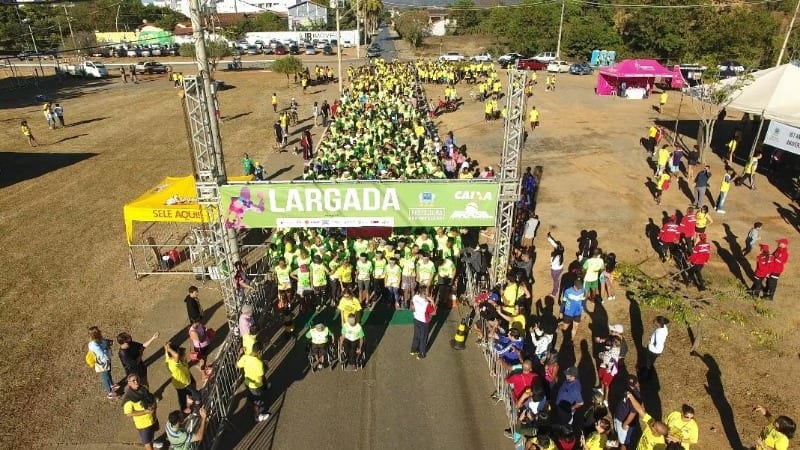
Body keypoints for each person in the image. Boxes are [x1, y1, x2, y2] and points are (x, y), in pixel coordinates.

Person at [122, 373, 163, 450]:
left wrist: (154, 405)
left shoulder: (143, 389)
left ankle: (153, 443)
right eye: (133, 381)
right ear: (129, 383)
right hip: (143, 425)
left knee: (151, 436)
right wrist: (145, 412)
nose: (136, 382)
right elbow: (128, 413)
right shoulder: (129, 399)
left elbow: (151, 397)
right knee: (148, 444)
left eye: (137, 379)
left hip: (152, 419)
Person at [236, 342, 270, 422]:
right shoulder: (259, 363)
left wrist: (239, 354)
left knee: (252, 397)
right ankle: (258, 416)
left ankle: (251, 405)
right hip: (256, 386)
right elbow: (261, 378)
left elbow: (236, 365)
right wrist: (265, 369)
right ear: (259, 352)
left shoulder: (245, 357)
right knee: (258, 402)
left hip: (247, 383)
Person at [164, 343, 201, 414]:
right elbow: (176, 355)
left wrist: (168, 347)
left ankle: (189, 399)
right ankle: (195, 407)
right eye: (183, 355)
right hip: (183, 385)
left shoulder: (168, 357)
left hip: (185, 379)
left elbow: (167, 348)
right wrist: (169, 348)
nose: (185, 356)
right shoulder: (173, 364)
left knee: (188, 391)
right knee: (195, 396)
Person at [87, 326, 119, 399]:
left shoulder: (99, 339)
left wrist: (108, 342)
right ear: (95, 334)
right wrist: (106, 347)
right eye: (99, 331)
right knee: (105, 377)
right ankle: (109, 393)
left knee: (108, 373)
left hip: (107, 359)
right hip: (103, 363)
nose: (100, 331)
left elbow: (104, 342)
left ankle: (112, 385)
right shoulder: (94, 345)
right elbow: (101, 354)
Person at [614, 375, 642, 450]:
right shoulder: (627, 389)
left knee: (624, 443)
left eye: (632, 385)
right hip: (619, 417)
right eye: (629, 384)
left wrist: (625, 424)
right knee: (619, 434)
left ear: (636, 384)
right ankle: (618, 441)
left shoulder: (636, 397)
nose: (630, 386)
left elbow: (633, 413)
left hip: (625, 422)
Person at [410, 286, 436, 359]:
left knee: (416, 335)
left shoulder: (415, 297)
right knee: (423, 338)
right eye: (427, 291)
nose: (428, 292)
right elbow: (434, 312)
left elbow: (412, 304)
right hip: (424, 322)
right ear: (424, 293)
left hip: (416, 319)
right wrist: (432, 301)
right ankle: (421, 354)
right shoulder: (427, 304)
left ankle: (413, 350)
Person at [641, 316, 669, 380]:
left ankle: (647, 376)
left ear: (658, 323)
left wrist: (650, 345)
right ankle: (647, 370)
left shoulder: (659, 333)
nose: (654, 320)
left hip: (653, 352)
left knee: (649, 363)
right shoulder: (664, 327)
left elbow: (658, 346)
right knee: (650, 362)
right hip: (656, 351)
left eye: (655, 320)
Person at [546, 232, 565, 298]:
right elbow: (555, 244)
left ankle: (554, 293)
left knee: (555, 281)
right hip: (560, 268)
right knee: (556, 279)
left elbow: (552, 263)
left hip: (555, 270)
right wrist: (550, 238)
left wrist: (550, 263)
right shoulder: (561, 251)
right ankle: (556, 289)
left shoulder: (555, 257)